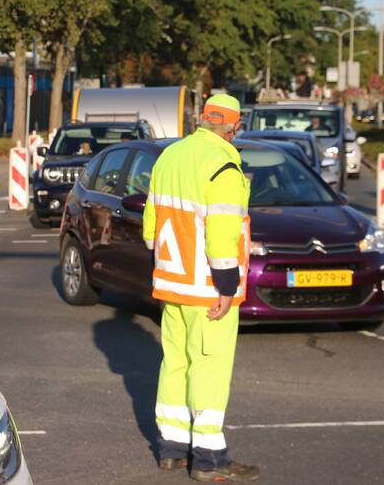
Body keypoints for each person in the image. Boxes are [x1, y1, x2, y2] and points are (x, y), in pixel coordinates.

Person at [142, 93, 258, 482]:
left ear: (202, 120)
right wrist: (226, 286)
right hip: (207, 288)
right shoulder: (223, 166)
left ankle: (172, 450)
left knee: (175, 363)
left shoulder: (169, 156)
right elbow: (222, 233)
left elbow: (150, 226)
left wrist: (161, 268)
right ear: (235, 127)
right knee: (209, 367)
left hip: (171, 284)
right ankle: (208, 458)